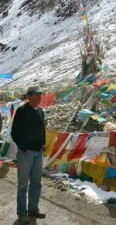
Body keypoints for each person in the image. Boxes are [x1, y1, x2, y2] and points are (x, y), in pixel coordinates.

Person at [11, 86, 46, 224]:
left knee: (36, 183)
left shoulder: (40, 111)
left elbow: (42, 129)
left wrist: (43, 143)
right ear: (29, 96)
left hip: (38, 152)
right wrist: (24, 148)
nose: (39, 97)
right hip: (26, 153)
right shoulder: (22, 111)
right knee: (23, 185)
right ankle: (21, 213)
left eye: (40, 94)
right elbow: (15, 132)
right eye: (37, 94)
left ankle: (33, 209)